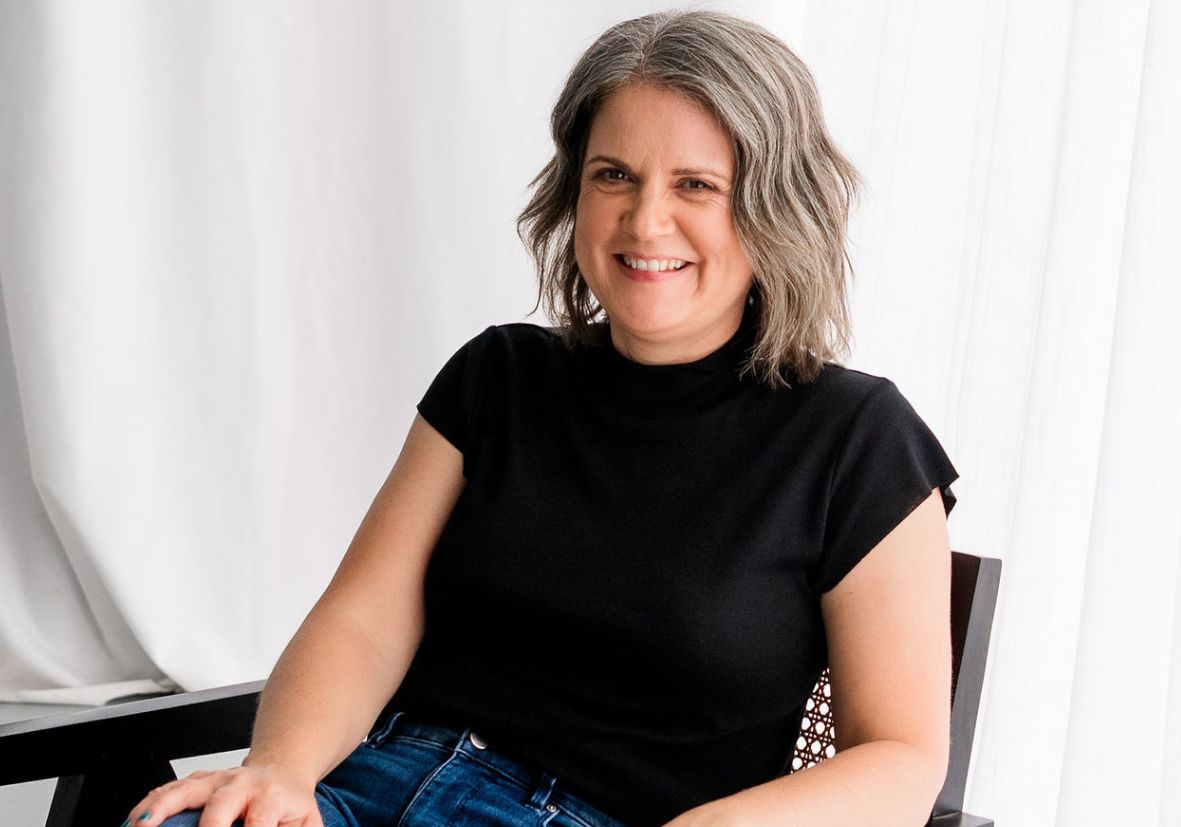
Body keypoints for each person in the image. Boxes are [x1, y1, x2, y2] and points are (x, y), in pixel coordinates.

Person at [126, 10, 957, 827]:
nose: (644, 220)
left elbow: (901, 756)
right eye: (613, 175)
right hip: (366, 785)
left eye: (696, 185)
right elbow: (364, 618)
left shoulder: (857, 439)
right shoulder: (499, 376)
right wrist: (279, 766)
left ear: (775, 204)